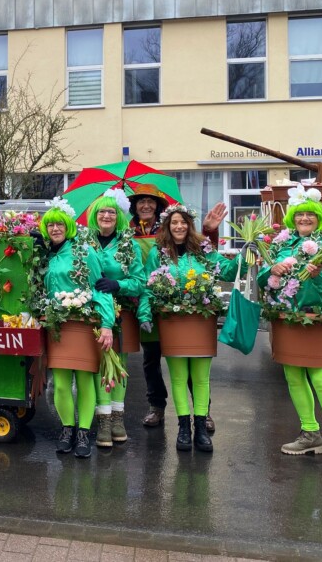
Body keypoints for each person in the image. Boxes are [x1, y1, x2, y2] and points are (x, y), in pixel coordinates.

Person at [256, 187, 322, 467]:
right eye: (300, 214)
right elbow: (262, 277)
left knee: (320, 379)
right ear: (293, 218)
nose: (305, 218)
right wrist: (270, 271)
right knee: (294, 378)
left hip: (318, 318)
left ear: (319, 218)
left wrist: (320, 277)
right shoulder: (280, 244)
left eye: (311, 214)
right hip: (287, 317)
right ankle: (310, 434)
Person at [138, 204, 239, 453]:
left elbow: (225, 271)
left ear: (190, 225)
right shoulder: (157, 253)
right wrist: (144, 313)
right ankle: (183, 427)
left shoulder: (203, 249)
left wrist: (244, 256)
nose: (179, 226)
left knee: (202, 378)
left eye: (183, 222)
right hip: (172, 322)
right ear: (167, 226)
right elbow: (148, 285)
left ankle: (201, 429)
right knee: (179, 378)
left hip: (201, 321)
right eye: (174, 222)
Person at [37, 200, 114, 459]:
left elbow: (100, 290)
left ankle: (83, 433)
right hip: (57, 325)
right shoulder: (45, 254)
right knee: (60, 384)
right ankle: (66, 429)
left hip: (83, 324)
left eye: (59, 223)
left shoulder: (84, 252)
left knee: (83, 380)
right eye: (50, 224)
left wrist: (106, 325)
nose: (55, 228)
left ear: (68, 226)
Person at [85, 190, 146, 448]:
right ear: (95, 216)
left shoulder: (128, 244)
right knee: (99, 366)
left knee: (119, 366)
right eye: (102, 211)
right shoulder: (83, 241)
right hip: (93, 313)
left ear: (118, 216)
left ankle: (118, 419)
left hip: (122, 312)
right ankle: (104, 421)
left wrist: (117, 285)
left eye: (111, 212)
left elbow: (140, 282)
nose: (106, 215)